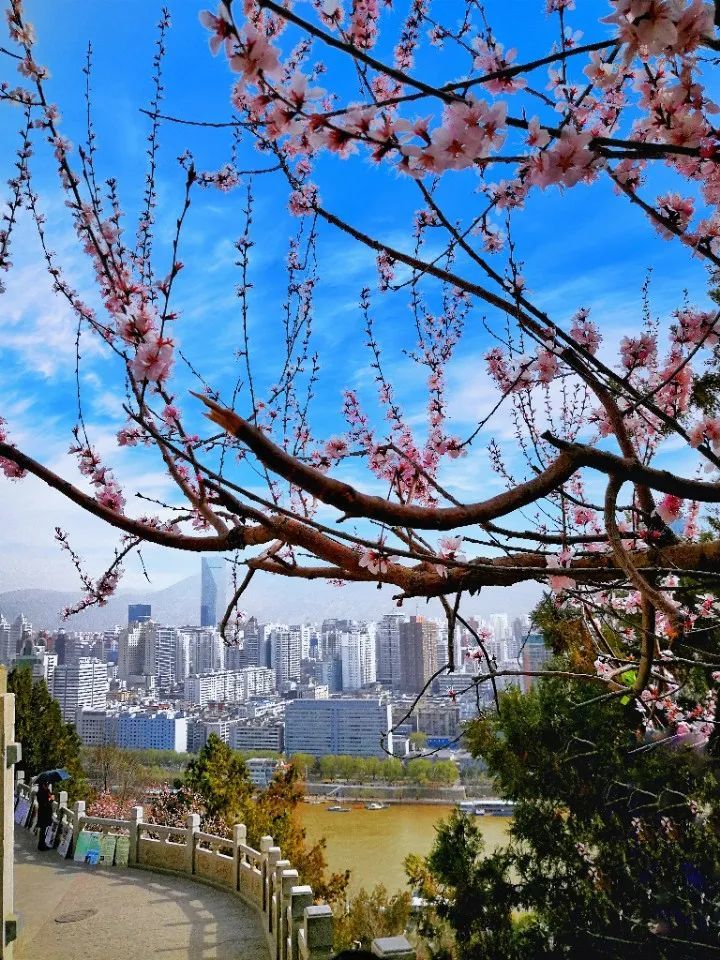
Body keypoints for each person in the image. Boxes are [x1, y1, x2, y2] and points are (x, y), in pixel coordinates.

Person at [36, 780, 54, 851]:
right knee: (43, 829)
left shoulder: (43, 792)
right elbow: (46, 802)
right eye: (45, 784)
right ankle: (41, 845)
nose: (47, 785)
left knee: (43, 829)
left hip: (43, 812)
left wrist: (50, 796)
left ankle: (42, 844)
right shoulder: (42, 793)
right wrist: (51, 799)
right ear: (42, 785)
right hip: (44, 813)